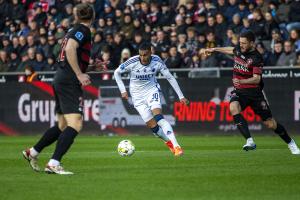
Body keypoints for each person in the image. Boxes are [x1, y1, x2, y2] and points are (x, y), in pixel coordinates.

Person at [22, 3, 104, 175]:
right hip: (68, 81)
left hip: (61, 77)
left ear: (76, 15)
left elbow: (70, 55)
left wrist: (89, 68)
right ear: (93, 16)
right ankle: (54, 163)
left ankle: (33, 152)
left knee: (62, 124)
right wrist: (80, 75)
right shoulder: (82, 30)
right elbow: (69, 49)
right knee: (76, 124)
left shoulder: (74, 30)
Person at [200, 30, 300, 155]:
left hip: (255, 94)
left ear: (252, 43)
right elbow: (231, 50)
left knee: (270, 124)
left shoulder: (256, 57)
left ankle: (291, 143)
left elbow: (257, 78)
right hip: (240, 92)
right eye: (240, 42)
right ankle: (250, 141)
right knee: (233, 107)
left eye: (244, 43)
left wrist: (241, 81)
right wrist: (214, 49)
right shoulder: (239, 49)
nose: (241, 45)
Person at [114, 42, 189, 156]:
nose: (142, 58)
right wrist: (123, 90)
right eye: (141, 55)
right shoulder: (132, 62)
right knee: (154, 129)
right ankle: (168, 142)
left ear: (150, 53)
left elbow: (169, 77)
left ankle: (177, 146)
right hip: (137, 97)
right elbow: (116, 72)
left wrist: (181, 96)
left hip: (151, 91)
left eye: (145, 55)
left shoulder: (157, 61)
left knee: (159, 118)